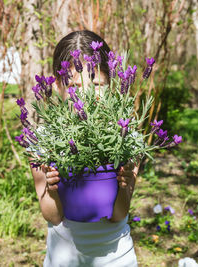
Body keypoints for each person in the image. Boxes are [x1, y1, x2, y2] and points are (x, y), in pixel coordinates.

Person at [29, 30, 139, 267]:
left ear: (112, 84)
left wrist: (124, 185)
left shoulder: (127, 138)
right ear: (58, 85)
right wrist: (51, 189)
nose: (87, 95)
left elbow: (119, 214)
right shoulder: (44, 140)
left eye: (97, 84)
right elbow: (52, 216)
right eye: (75, 86)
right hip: (63, 260)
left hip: (117, 260)